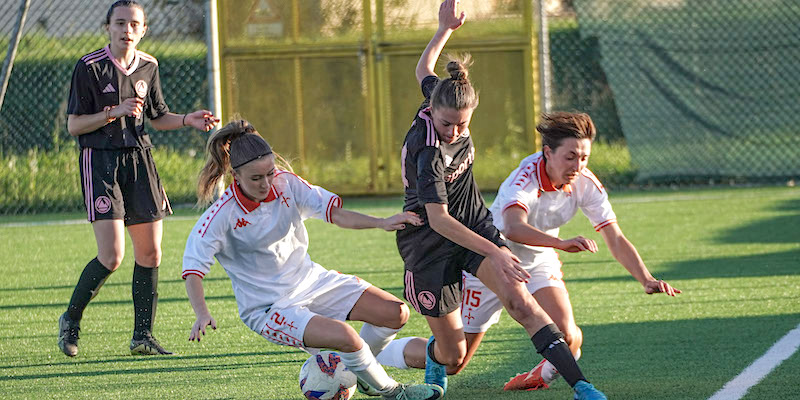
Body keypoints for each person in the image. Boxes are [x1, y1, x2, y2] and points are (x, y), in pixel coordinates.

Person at [392, 1, 606, 398]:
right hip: (429, 246)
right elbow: (438, 220)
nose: (454, 132)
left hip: (473, 227)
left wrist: (443, 30)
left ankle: (583, 386)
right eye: (445, 124)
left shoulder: (441, 98)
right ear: (431, 112)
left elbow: (424, 71)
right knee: (454, 357)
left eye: (463, 124)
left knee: (522, 305)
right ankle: (411, 357)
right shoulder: (427, 153)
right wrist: (497, 250)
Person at [182, 120, 443, 400]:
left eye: (270, 173)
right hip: (269, 308)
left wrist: (382, 222)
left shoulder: (287, 184)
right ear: (236, 175)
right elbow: (193, 269)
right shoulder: (221, 215)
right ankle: (392, 391)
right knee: (346, 337)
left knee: (395, 313)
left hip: (312, 281)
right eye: (256, 178)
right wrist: (202, 312)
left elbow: (336, 214)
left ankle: (359, 372)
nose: (266, 183)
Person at [455, 111, 682, 391]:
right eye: (570, 156)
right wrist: (561, 244)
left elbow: (615, 237)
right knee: (455, 359)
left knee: (568, 337)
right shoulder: (525, 178)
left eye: (584, 157)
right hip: (492, 262)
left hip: (539, 261)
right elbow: (513, 228)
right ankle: (390, 353)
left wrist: (646, 278)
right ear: (548, 153)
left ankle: (536, 378)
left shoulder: (585, 183)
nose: (578, 165)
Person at [58, 0, 220, 357]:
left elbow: (158, 116)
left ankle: (142, 337)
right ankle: (70, 320)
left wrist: (187, 119)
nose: (126, 30)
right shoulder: (89, 67)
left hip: (140, 161)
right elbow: (73, 125)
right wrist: (112, 112)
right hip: (100, 162)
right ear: (108, 28)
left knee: (150, 252)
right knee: (112, 255)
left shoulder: (149, 65)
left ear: (143, 29)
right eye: (119, 23)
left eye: (134, 24)